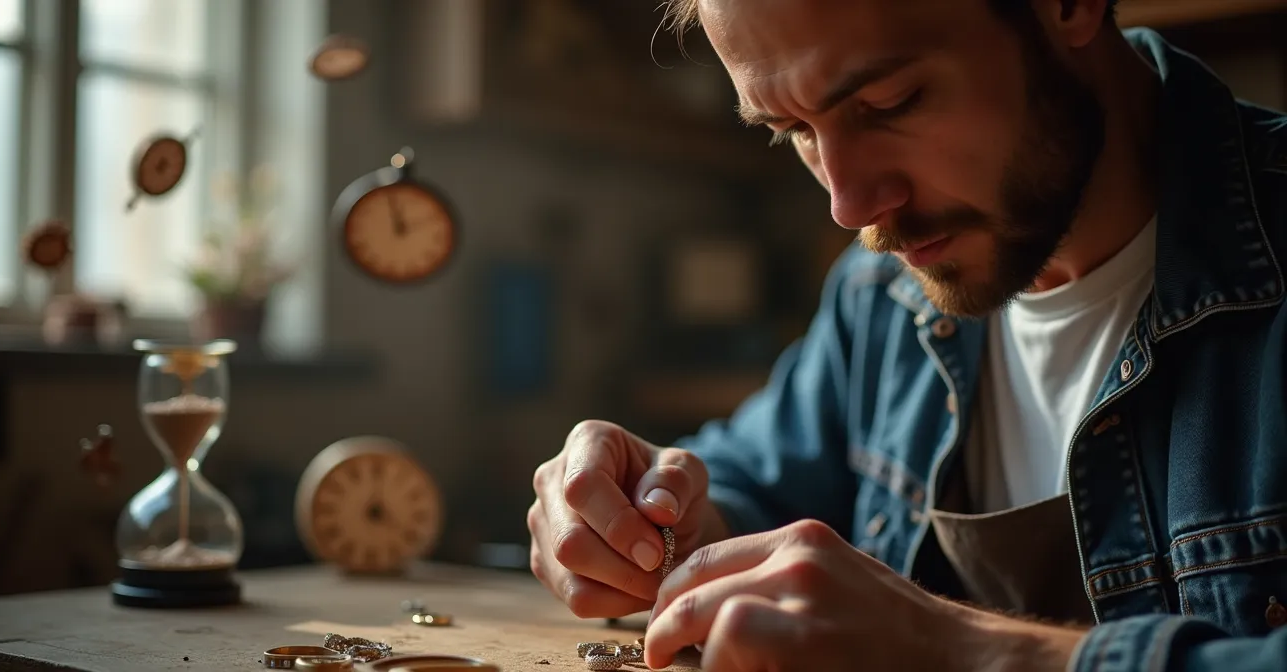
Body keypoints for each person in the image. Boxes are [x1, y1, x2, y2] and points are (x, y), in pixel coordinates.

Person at [527, 0, 1287, 669]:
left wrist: (963, 651)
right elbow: (756, 479)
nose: (851, 207)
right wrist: (649, 512)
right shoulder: (882, 295)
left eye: (889, 101)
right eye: (794, 130)